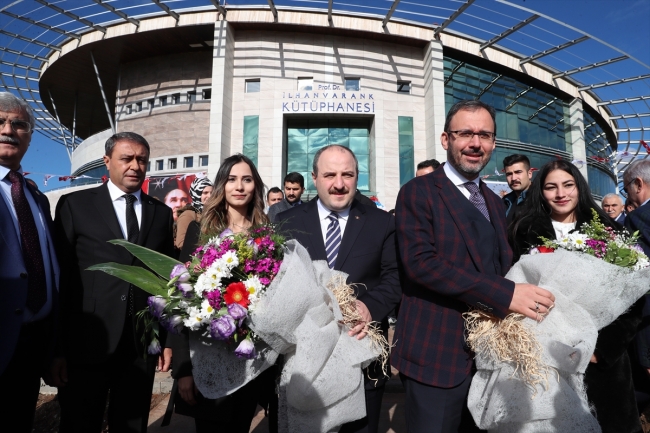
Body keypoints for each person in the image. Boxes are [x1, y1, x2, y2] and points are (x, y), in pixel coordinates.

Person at [393, 100, 554, 433]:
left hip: (491, 358)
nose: (475, 143)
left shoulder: (494, 202)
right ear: (445, 139)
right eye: (465, 133)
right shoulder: (418, 192)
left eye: (484, 135)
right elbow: (421, 265)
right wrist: (506, 293)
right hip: (436, 356)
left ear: (494, 143)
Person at [51, 132, 174, 433]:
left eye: (142, 160)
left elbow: (167, 281)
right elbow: (61, 281)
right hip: (87, 341)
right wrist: (55, 349)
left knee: (132, 425)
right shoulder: (74, 205)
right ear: (107, 162)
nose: (135, 165)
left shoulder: (161, 213)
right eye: (127, 158)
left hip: (140, 344)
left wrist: (166, 340)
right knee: (79, 423)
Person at [275, 144, 401, 433]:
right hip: (304, 363)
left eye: (348, 174)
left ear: (357, 177)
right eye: (330, 174)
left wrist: (370, 306)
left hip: (364, 356)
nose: (339, 184)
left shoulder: (382, 223)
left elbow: (394, 277)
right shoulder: (287, 222)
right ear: (315, 177)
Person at [510, 159, 642, 433]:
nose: (561, 193)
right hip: (544, 357)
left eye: (568, 185)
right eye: (551, 187)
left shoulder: (610, 231)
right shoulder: (524, 232)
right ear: (540, 191)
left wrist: (602, 350)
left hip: (600, 364)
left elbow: (633, 297)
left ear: (579, 188)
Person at [169, 154, 273, 433]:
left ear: (255, 187)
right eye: (231, 179)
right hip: (206, 360)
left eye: (247, 180)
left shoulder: (267, 237)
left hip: (251, 361)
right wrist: (183, 369)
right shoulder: (200, 231)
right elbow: (180, 299)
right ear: (221, 187)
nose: (239, 186)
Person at [0, 92, 59, 433]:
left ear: (30, 136)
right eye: (1, 121)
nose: (9, 129)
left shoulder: (36, 196)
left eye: (19, 123)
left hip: (32, 345)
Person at [174, 177, 213, 250]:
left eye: (212, 193)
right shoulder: (188, 215)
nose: (210, 196)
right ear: (196, 194)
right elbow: (181, 243)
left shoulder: (213, 214)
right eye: (205, 193)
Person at [502, 154, 533, 226]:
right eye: (509, 174)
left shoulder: (540, 198)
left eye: (518, 172)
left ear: (530, 173)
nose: (513, 178)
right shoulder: (505, 201)